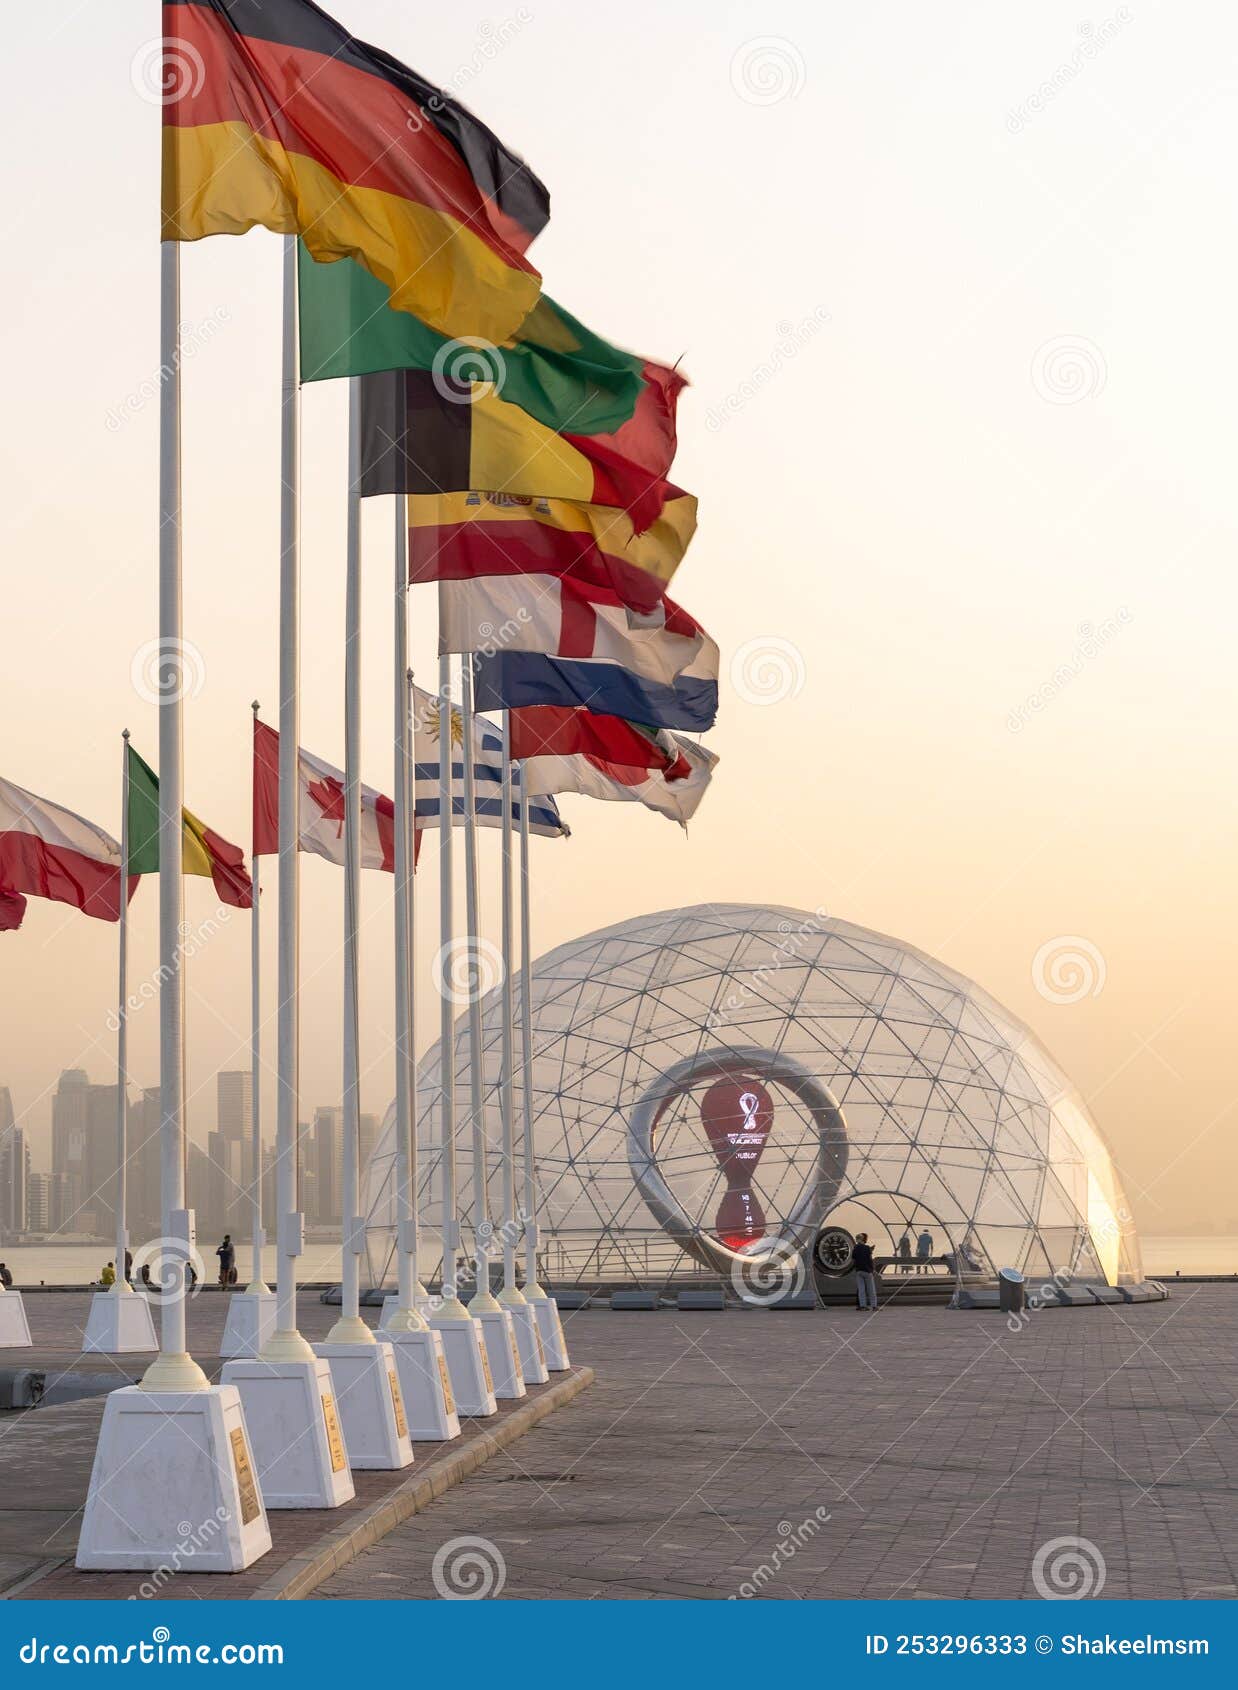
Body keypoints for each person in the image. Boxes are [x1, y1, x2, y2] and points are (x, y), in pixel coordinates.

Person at [852, 1232, 878, 1311]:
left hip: (859, 1271)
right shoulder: (867, 1248)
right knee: (871, 1290)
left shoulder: (855, 1248)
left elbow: (853, 1258)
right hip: (867, 1271)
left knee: (861, 1290)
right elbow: (869, 1260)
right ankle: (874, 1306)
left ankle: (863, 1306)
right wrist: (872, 1269)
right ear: (864, 1239)